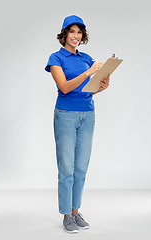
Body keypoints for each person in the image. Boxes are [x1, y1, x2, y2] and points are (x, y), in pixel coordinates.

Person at [45, 15, 110, 234]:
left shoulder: (86, 58)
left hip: (88, 114)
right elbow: (64, 87)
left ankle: (75, 211)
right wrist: (89, 72)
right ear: (64, 34)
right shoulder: (56, 58)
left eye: (79, 32)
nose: (76, 36)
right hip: (65, 115)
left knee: (81, 167)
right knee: (67, 168)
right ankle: (66, 216)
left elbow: (87, 90)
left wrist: (101, 85)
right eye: (72, 31)